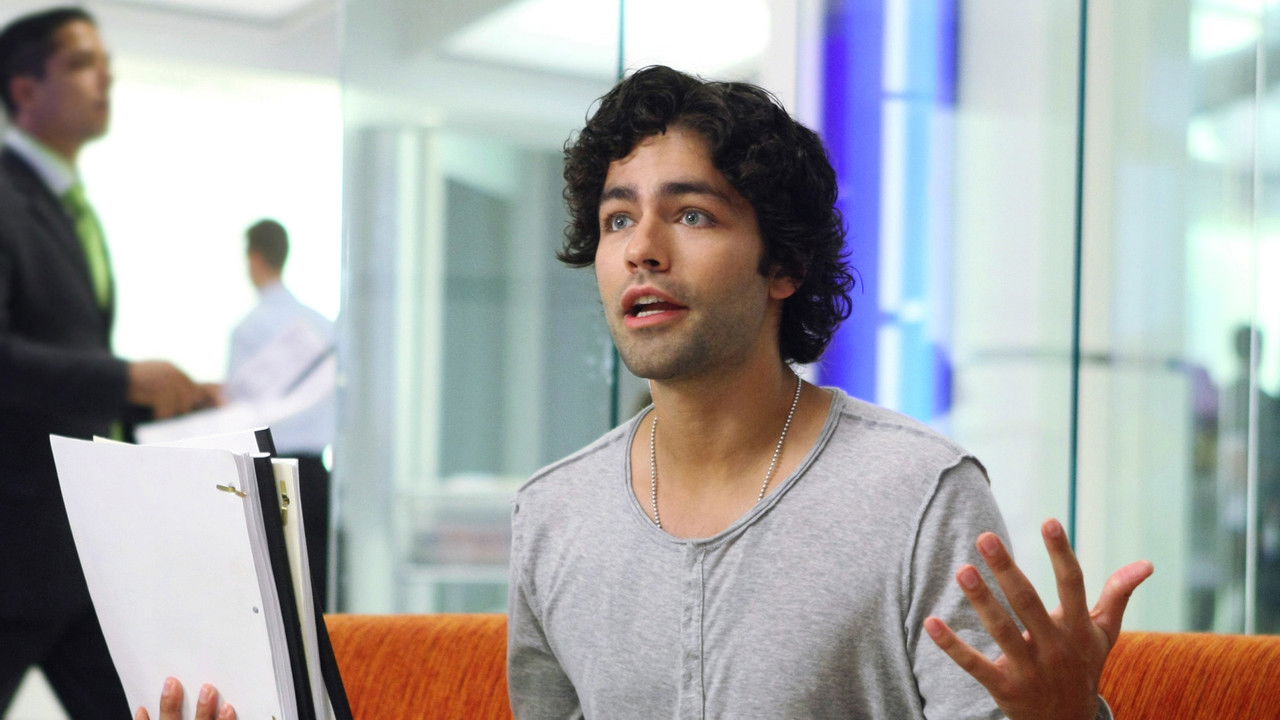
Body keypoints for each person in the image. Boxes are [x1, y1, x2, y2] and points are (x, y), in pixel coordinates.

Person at [139, 66, 1152, 720]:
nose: (642, 250)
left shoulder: (919, 496)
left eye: (693, 215)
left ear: (783, 265)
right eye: (618, 219)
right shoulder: (555, 514)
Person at [0, 6, 212, 718]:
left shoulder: (64, 205)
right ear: (24, 89)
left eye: (107, 64)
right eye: (82, 63)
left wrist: (162, 396)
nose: (106, 78)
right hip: (15, 550)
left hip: (74, 550)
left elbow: (61, 361)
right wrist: (123, 378)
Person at [225, 217, 336, 603]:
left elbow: (239, 409)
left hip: (270, 474)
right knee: (316, 592)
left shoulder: (249, 328)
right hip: (315, 475)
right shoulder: (322, 325)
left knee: (274, 596)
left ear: (255, 259)